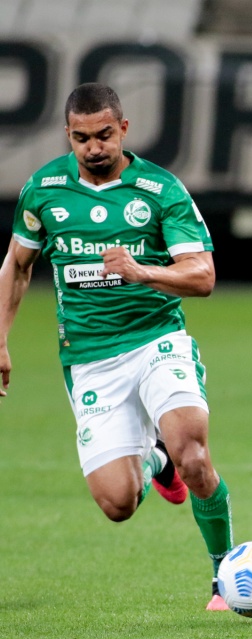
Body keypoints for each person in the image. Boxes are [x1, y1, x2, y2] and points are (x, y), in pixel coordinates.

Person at [0, 83, 234, 611]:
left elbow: (203, 276)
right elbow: (17, 265)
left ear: (124, 129)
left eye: (104, 135)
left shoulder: (159, 189)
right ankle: (156, 462)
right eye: (81, 138)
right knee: (117, 504)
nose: (94, 147)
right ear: (68, 135)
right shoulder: (45, 190)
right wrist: (1, 338)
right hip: (89, 358)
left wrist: (141, 271)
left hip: (157, 340)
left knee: (194, 451)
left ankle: (225, 574)